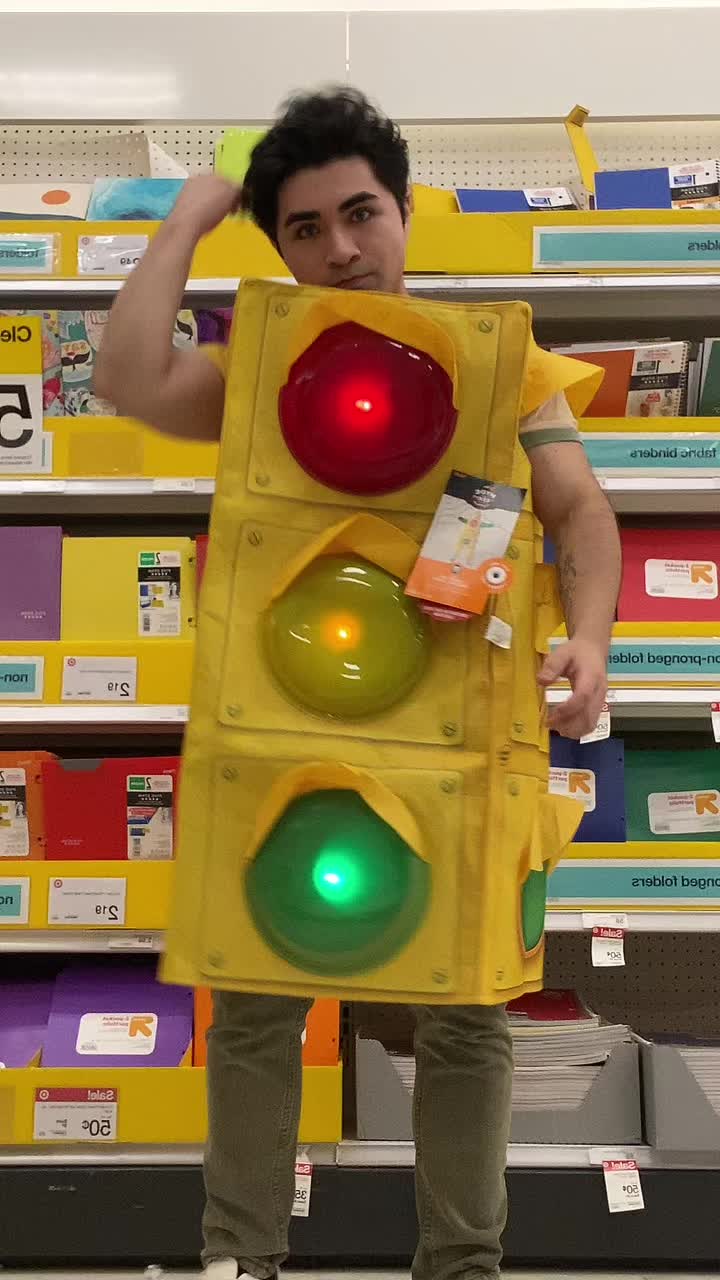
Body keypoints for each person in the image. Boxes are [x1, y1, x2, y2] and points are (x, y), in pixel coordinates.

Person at [96, 88, 621, 1280]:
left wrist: (591, 638)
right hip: (291, 716)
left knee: (467, 1009)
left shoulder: (501, 369)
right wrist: (186, 221)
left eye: (360, 212)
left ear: (404, 210)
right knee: (256, 999)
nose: (339, 246)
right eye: (304, 227)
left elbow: (579, 507)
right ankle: (239, 1254)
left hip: (456, 719)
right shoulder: (260, 371)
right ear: (278, 246)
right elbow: (127, 378)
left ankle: (463, 1260)